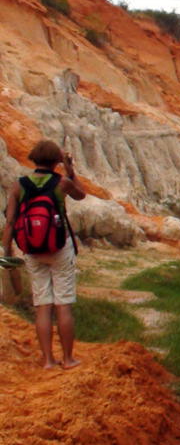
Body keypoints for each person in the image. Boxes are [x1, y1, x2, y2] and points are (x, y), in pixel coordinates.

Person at [2, 140, 86, 369]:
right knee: (63, 305)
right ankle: (68, 359)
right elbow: (81, 195)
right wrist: (70, 170)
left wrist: (6, 250)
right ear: (56, 161)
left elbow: (10, 221)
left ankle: (48, 360)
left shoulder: (19, 185)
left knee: (43, 305)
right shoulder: (62, 183)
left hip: (31, 250)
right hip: (60, 247)